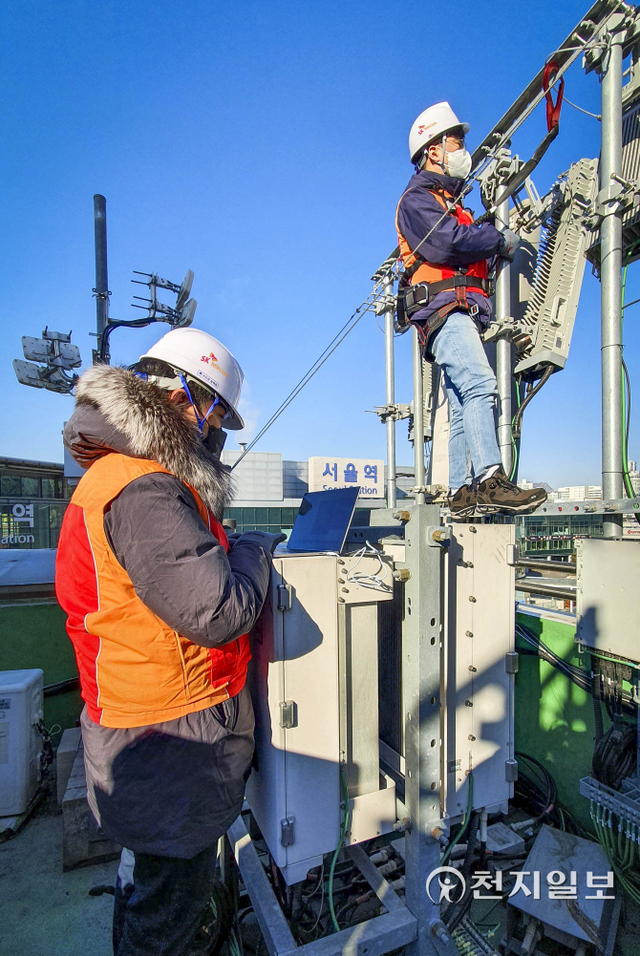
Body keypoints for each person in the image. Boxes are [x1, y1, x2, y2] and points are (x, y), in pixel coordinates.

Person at [55, 327, 280, 956]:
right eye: (215, 416)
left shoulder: (124, 477)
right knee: (167, 918)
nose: (216, 434)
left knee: (150, 890)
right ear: (185, 397)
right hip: (168, 740)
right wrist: (255, 549)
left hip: (144, 726)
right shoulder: (144, 487)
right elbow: (216, 609)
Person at [396, 101, 547, 517]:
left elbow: (459, 240)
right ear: (433, 150)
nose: (464, 149)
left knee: (464, 401)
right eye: (456, 142)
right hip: (446, 309)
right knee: (481, 384)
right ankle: (490, 478)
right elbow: (446, 242)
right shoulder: (418, 200)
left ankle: (464, 492)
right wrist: (497, 239)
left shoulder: (447, 201)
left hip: (455, 309)